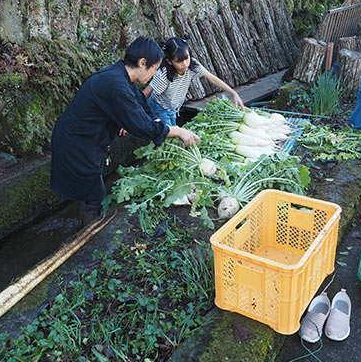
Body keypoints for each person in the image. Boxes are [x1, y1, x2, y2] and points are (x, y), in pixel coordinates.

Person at [50, 37, 200, 223]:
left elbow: (141, 104)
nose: (153, 75)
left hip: (83, 138)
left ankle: (88, 220)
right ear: (142, 63)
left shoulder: (120, 76)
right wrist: (177, 131)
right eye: (154, 69)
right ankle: (90, 233)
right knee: (94, 193)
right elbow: (141, 126)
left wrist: (161, 122)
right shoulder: (116, 85)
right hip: (76, 142)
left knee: (91, 186)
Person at [143, 36, 244, 125]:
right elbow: (145, 93)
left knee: (172, 134)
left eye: (187, 58)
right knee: (169, 137)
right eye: (179, 61)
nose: (185, 64)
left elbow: (212, 78)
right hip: (158, 108)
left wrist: (233, 93)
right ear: (169, 61)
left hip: (173, 109)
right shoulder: (163, 76)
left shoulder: (193, 65)